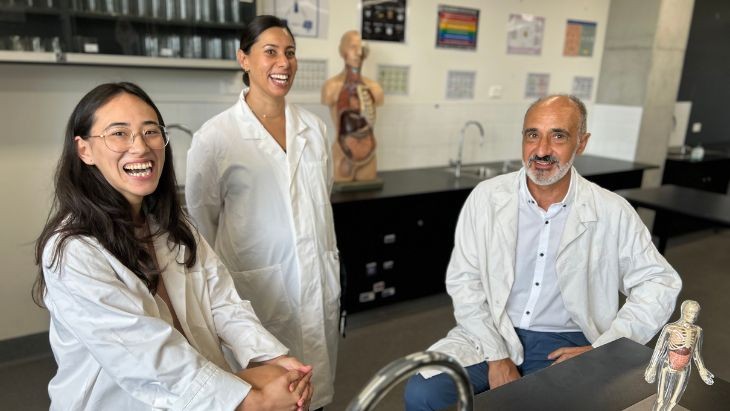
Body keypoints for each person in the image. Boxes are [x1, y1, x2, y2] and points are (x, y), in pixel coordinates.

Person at [33, 82, 314, 410]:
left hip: (199, 390)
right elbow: (148, 358)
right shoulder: (73, 252)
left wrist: (269, 357)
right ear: (84, 150)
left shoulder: (173, 226)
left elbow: (222, 303)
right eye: (119, 134)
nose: (140, 147)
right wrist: (253, 402)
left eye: (150, 131)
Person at [404, 95, 682, 410]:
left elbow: (658, 281)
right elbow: (464, 280)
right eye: (532, 134)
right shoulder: (487, 198)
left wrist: (604, 347)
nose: (542, 150)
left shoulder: (610, 210)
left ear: (581, 143)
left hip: (567, 339)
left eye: (558, 136)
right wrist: (497, 356)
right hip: (492, 328)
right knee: (423, 392)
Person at [185, 15, 340, 410]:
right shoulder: (216, 137)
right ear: (244, 60)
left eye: (290, 53)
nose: (283, 63)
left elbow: (321, 197)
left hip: (315, 282)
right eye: (270, 52)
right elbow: (202, 222)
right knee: (268, 394)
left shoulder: (314, 129)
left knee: (315, 392)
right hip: (257, 290)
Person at [321, 30, 384, 182]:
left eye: (361, 47)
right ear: (342, 51)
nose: (358, 52)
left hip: (369, 155)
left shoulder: (375, 88)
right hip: (342, 154)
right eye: (352, 47)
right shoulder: (331, 87)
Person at [645, 300, 714, 411]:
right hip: (667, 365)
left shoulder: (697, 331)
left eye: (695, 313)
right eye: (690, 312)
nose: (693, 316)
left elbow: (696, 352)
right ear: (683, 311)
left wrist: (702, 369)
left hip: (684, 368)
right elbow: (659, 348)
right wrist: (652, 367)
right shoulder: (670, 328)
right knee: (660, 399)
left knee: (673, 401)